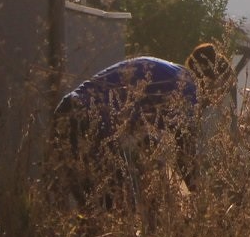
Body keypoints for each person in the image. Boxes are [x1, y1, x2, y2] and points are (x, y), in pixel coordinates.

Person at [51, 43, 235, 209]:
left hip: (68, 111)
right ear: (210, 78)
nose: (215, 100)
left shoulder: (171, 76)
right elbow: (184, 150)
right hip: (89, 119)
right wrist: (202, 201)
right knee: (114, 205)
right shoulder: (187, 87)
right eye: (220, 90)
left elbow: (147, 144)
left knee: (92, 206)